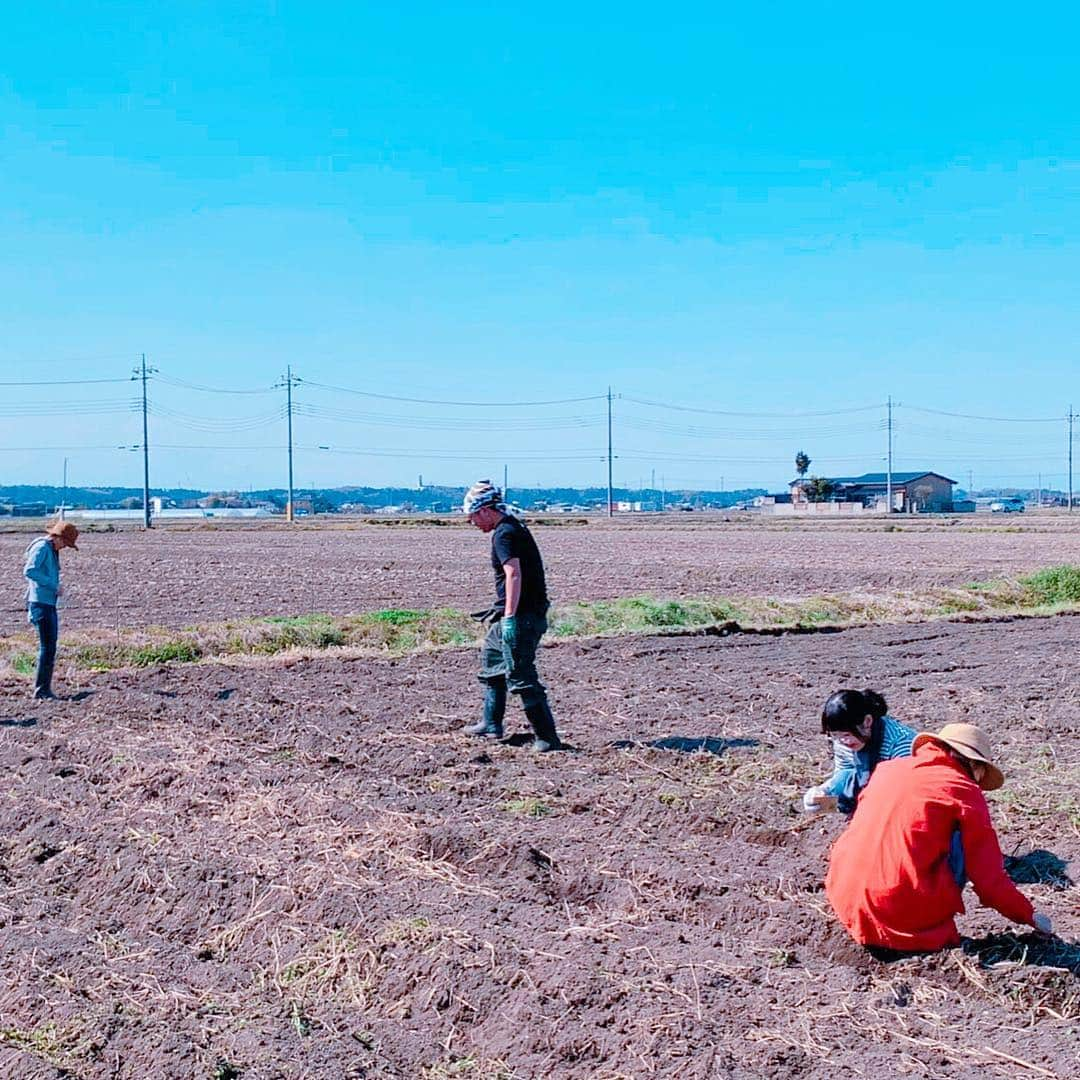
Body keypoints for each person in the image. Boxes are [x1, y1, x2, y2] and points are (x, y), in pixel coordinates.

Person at [825, 722, 1053, 955]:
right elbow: (988, 879)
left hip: (845, 901)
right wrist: (1028, 915)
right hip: (899, 913)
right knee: (961, 838)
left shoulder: (887, 769)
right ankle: (925, 916)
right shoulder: (963, 790)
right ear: (973, 764)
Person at [462, 480, 562, 752]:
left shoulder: (504, 534)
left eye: (472, 517)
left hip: (522, 615)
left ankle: (547, 738)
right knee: (492, 661)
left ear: (484, 510)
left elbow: (513, 574)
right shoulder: (511, 526)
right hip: (514, 611)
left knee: (520, 674)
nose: (472, 523)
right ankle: (491, 723)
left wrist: (509, 617)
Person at [803, 689, 916, 814]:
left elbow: (905, 792)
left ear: (867, 721)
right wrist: (823, 793)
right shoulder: (843, 741)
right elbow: (844, 775)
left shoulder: (900, 745)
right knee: (821, 801)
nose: (844, 741)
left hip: (902, 796)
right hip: (872, 790)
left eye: (847, 734)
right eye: (835, 735)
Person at [23, 520, 79, 700]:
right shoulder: (42, 548)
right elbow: (30, 570)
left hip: (47, 602)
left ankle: (44, 688)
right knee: (47, 648)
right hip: (40, 603)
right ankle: (41, 690)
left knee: (50, 647)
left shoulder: (50, 549)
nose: (64, 547)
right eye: (65, 543)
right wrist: (53, 585)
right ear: (58, 538)